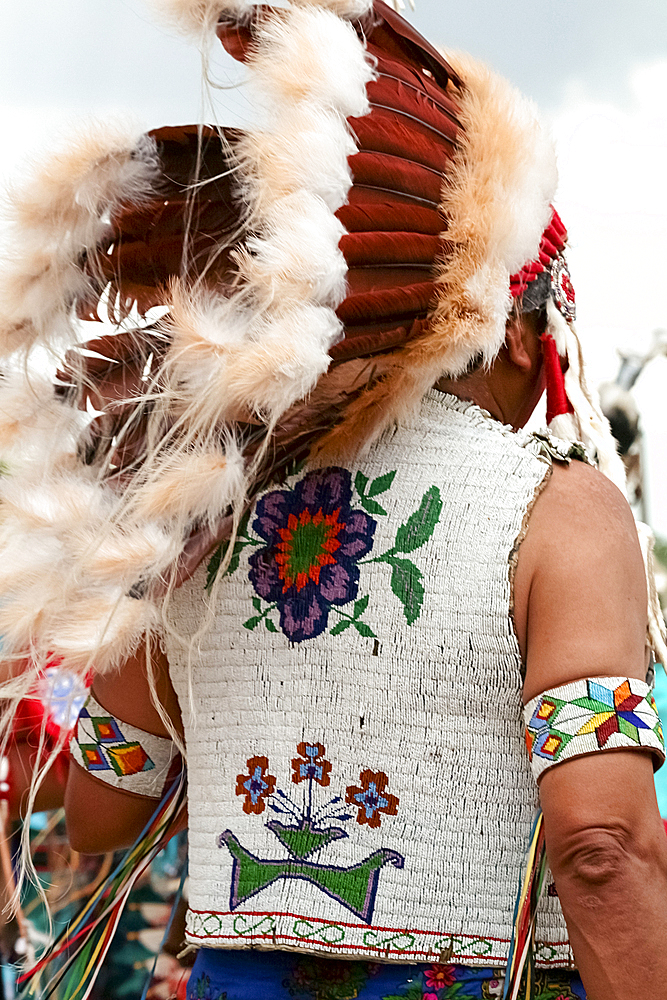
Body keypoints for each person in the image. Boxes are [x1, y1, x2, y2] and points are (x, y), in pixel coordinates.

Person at [1, 3, 666, 1000]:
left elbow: (95, 810)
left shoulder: (209, 510)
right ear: (522, 335)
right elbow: (603, 842)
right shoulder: (561, 514)